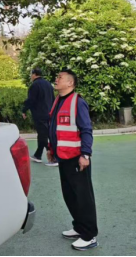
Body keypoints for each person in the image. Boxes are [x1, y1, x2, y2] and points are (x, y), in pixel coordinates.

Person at [48, 69, 99, 251]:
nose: (56, 79)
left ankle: (89, 235)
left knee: (83, 196)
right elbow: (54, 128)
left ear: (70, 83)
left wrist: (85, 154)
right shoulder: (58, 101)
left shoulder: (78, 102)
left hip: (77, 158)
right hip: (63, 157)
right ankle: (79, 227)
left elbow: (86, 129)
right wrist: (51, 149)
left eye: (60, 77)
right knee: (70, 195)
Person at [22, 68, 55, 165]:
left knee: (42, 134)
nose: (30, 76)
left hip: (39, 114)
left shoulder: (34, 85)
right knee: (43, 134)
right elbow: (53, 98)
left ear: (34, 74)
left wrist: (24, 110)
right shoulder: (48, 84)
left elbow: (31, 100)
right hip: (49, 113)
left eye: (31, 74)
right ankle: (38, 155)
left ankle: (53, 157)